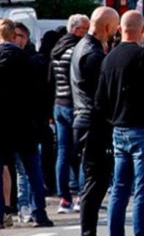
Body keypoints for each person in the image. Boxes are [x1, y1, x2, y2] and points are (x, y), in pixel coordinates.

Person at [94, 10, 144, 236]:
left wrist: (115, 117)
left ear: (120, 29)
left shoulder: (109, 58)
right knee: (143, 193)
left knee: (119, 189)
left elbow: (100, 102)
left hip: (120, 128)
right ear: (142, 30)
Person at [0, 17, 53, 229]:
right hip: (25, 123)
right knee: (32, 169)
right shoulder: (29, 61)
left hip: (1, 123)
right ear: (15, 36)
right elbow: (39, 92)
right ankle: (39, 212)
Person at [72, 6, 121, 236]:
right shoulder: (93, 55)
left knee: (95, 180)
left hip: (84, 119)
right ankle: (88, 232)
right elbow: (102, 94)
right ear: (108, 27)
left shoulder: (82, 47)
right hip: (94, 123)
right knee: (96, 181)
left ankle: (88, 231)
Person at [48, 15, 89, 215]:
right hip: (75, 105)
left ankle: (64, 198)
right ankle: (82, 196)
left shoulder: (56, 50)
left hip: (58, 104)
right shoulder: (76, 50)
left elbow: (50, 81)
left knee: (63, 152)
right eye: (85, 29)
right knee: (82, 152)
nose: (88, 33)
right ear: (76, 30)